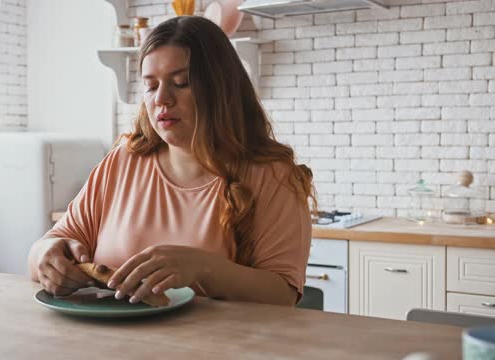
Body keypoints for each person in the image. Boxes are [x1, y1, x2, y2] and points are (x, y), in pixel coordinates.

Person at [27, 15, 315, 306]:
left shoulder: (272, 176)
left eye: (181, 83)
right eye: (151, 86)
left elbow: (283, 295)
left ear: (221, 88)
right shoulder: (123, 161)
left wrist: (202, 267)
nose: (162, 99)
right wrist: (46, 258)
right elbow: (47, 246)